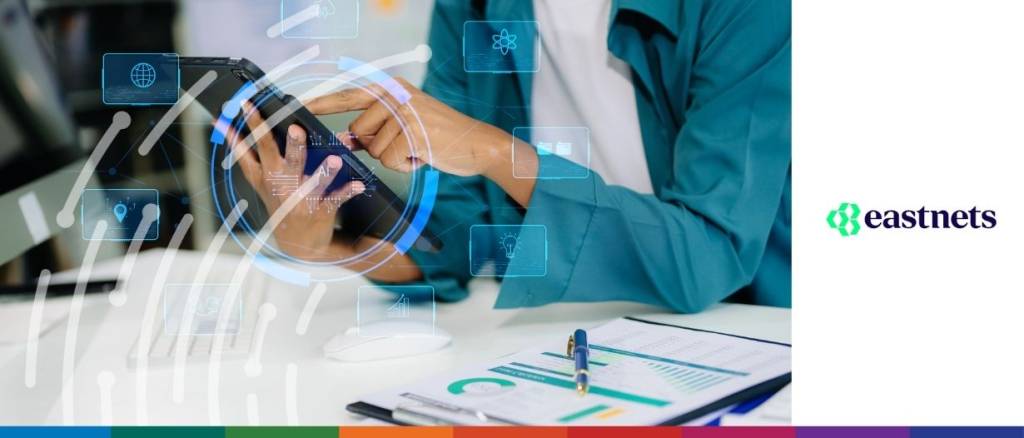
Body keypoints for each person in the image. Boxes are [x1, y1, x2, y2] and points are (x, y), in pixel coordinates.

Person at [230, 0, 791, 313]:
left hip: (757, 334)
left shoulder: (745, 10)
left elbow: (706, 259)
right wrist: (329, 246)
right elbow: (451, 247)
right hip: (581, 336)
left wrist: (494, 151)